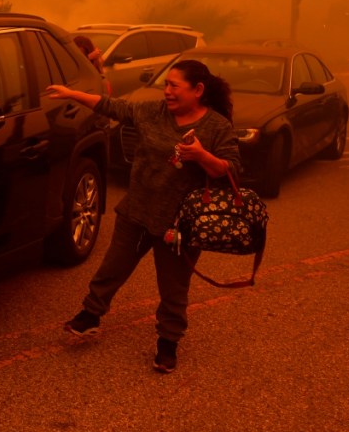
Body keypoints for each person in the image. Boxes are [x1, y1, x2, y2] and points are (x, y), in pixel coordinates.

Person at [46, 59, 240, 373]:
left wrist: (202, 155)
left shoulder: (217, 126)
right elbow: (114, 107)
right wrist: (72, 94)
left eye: (174, 85)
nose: (167, 91)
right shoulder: (152, 112)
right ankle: (90, 315)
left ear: (198, 90)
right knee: (112, 268)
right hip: (137, 211)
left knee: (174, 288)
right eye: (166, 85)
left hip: (179, 226)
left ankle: (168, 343)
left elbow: (231, 171)